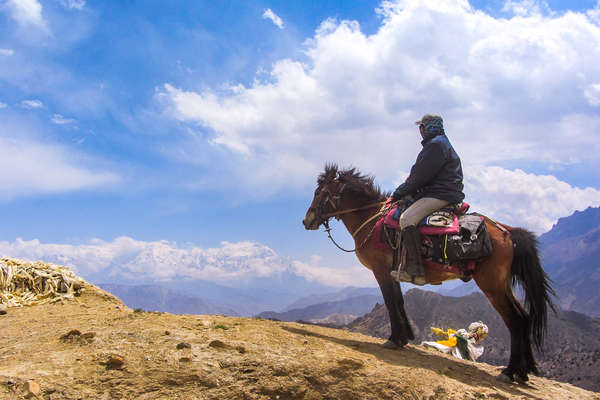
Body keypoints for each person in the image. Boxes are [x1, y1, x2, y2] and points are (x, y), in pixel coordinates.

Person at [390, 113, 464, 285]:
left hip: (440, 194)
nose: (420, 131)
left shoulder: (435, 146)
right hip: (446, 191)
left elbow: (419, 177)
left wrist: (398, 193)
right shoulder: (441, 143)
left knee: (406, 219)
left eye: (421, 127)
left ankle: (416, 271)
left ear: (426, 128)